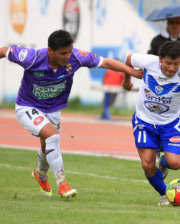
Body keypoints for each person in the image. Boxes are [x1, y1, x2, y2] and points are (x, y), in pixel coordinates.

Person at [0, 30, 143, 198]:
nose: (68, 56)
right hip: (27, 106)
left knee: (47, 146)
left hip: (53, 109)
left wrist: (131, 72)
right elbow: (4, 51)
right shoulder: (31, 58)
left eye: (69, 51)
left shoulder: (76, 57)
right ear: (50, 51)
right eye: (63, 53)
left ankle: (41, 174)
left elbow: (107, 62)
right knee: (53, 137)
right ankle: (62, 184)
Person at [123, 41, 180, 205]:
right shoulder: (148, 62)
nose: (171, 68)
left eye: (176, 64)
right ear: (160, 59)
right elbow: (128, 59)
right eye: (168, 63)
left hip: (170, 125)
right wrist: (127, 79)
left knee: (175, 163)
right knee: (147, 164)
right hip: (144, 121)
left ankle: (163, 164)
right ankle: (165, 195)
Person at [147, 16, 180, 162]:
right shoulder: (158, 40)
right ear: (167, 23)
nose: (175, 25)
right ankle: (160, 149)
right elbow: (149, 59)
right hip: (160, 85)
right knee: (159, 114)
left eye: (177, 22)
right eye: (172, 22)